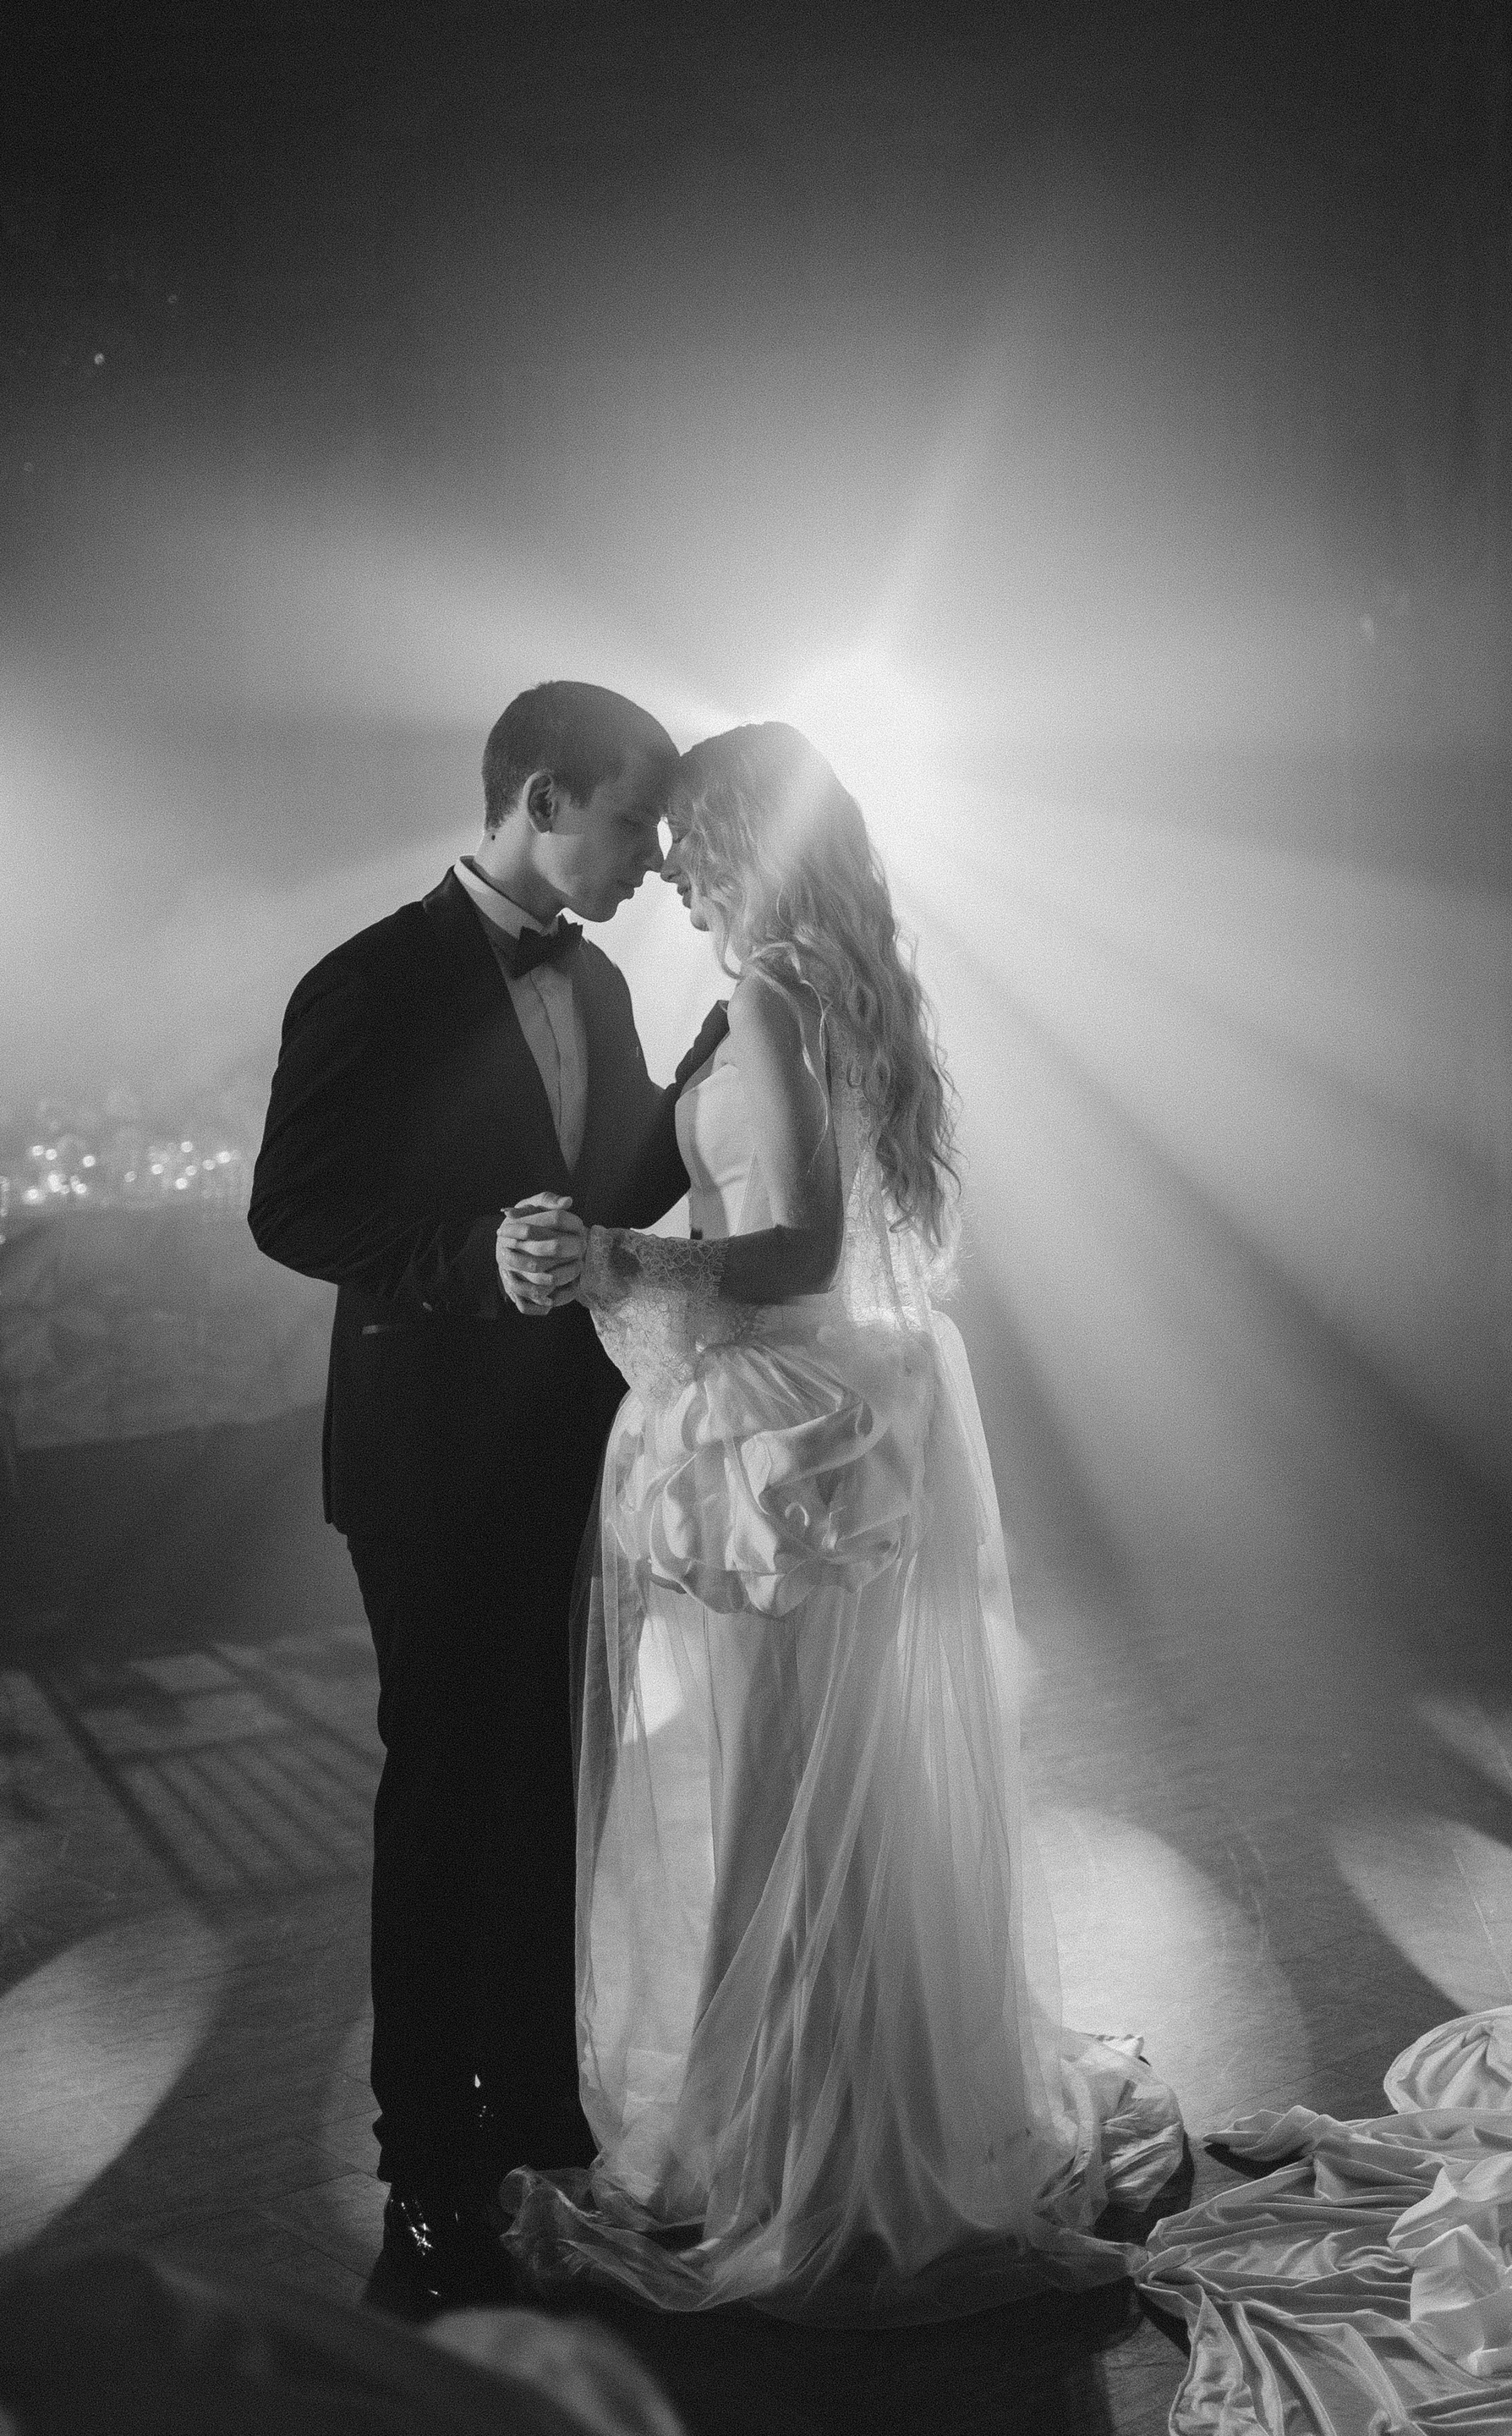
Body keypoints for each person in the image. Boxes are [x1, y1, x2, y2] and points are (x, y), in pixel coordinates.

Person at [500, 721, 1184, 2322]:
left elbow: (800, 1249)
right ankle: (860, 2110)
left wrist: (626, 1259)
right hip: (843, 1411)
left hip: (793, 1431)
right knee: (838, 1788)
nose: (669, 872)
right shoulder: (841, 988)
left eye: (687, 844)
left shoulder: (770, 993)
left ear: (745, 843)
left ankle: (810, 2141)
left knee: (793, 1787)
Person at [247, 680, 728, 2314]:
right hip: (430, 1463)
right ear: (541, 797)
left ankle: (537, 2131)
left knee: (550, 1792)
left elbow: (618, 1190)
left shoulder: (596, 979)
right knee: (448, 1804)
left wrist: (721, 1071)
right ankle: (425, 2184)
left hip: (574, 1446)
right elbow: (291, 1208)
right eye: (632, 820)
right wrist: (468, 1257)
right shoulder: (369, 978)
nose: (651, 856)